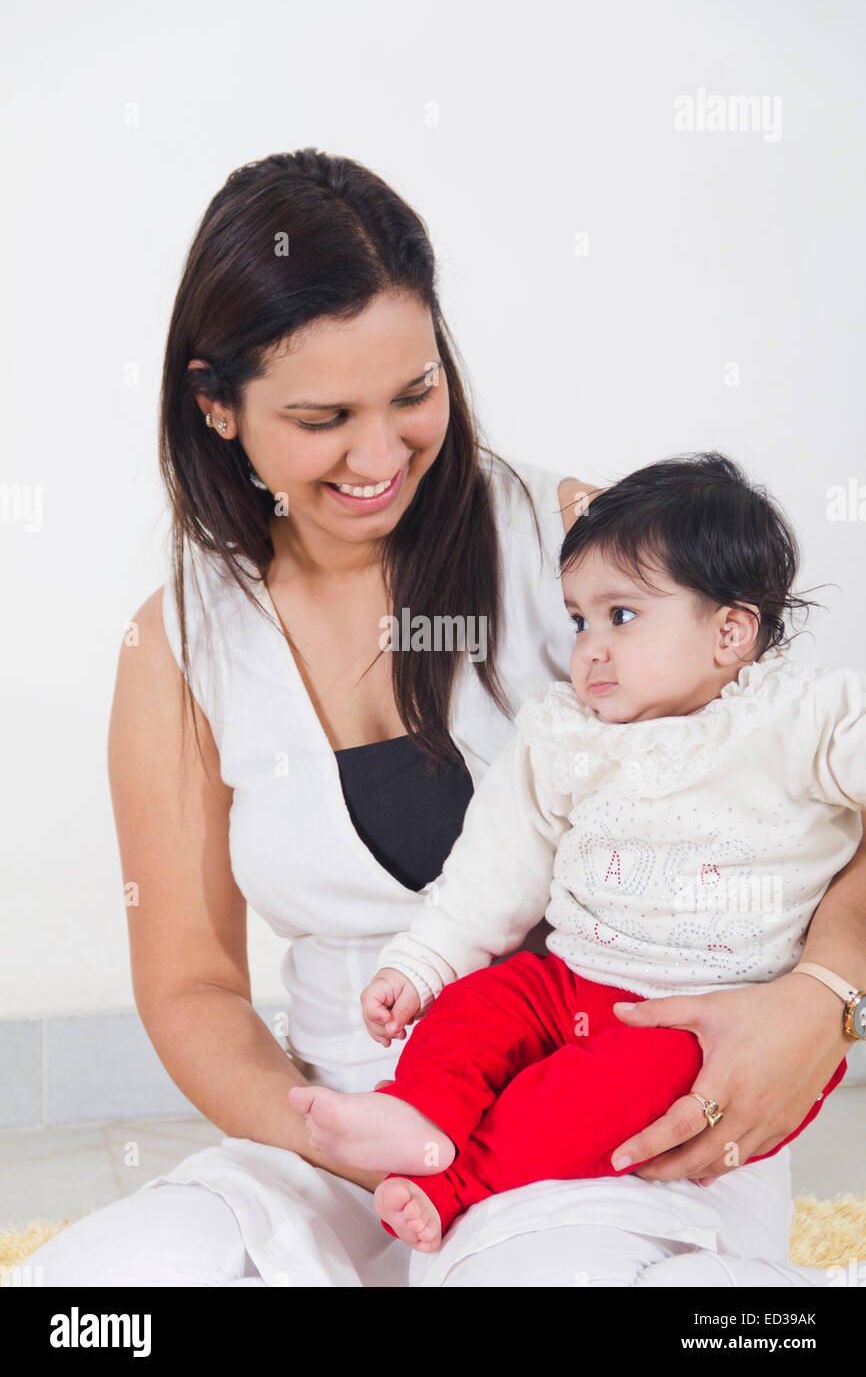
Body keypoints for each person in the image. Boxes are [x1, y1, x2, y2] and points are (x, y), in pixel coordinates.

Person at [28, 150, 866, 1288]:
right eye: (324, 417)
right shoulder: (178, 640)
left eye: (413, 395)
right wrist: (330, 1132)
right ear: (214, 405)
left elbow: (794, 770)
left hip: (607, 1115)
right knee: (114, 1284)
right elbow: (191, 984)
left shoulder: (573, 556)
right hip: (347, 1135)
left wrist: (821, 998)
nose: (381, 458)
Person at [289, 453, 864, 1253]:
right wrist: (420, 966)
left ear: (731, 631)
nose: (590, 647)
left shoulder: (801, 716)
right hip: (565, 982)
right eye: (578, 620)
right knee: (472, 1012)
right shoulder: (566, 733)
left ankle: (455, 1177)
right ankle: (414, 1115)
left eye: (621, 616)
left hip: (702, 1022)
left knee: (582, 1102)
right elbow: (496, 863)